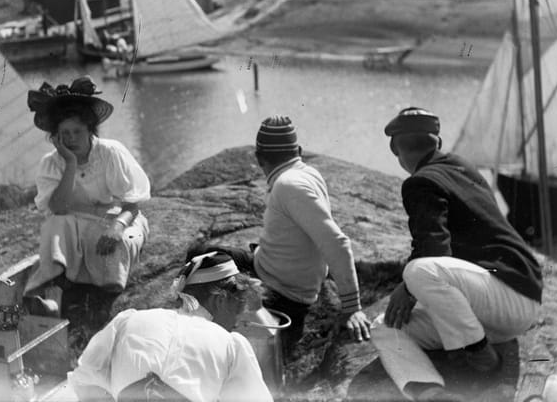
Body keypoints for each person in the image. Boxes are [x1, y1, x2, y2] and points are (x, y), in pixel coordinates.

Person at [370, 107, 543, 402]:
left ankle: (477, 356)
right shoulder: (461, 165)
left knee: (416, 272)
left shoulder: (420, 182)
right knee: (386, 326)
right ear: (437, 143)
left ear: (395, 150)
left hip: (505, 298)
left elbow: (433, 251)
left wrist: (407, 287)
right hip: (503, 307)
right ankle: (431, 392)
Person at [194, 115, 370, 357]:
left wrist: (352, 308)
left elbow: (337, 243)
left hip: (281, 291)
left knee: (199, 267)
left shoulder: (289, 185)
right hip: (282, 274)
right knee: (203, 255)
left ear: (258, 157)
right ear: (298, 150)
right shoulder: (308, 173)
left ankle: (206, 337)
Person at [24, 76, 150, 328]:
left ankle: (104, 295)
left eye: (77, 131)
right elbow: (58, 208)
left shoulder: (110, 152)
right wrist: (70, 163)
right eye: (64, 133)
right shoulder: (52, 162)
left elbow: (132, 202)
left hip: (117, 217)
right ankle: (55, 286)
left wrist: (117, 227)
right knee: (54, 225)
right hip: (74, 220)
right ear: (55, 137)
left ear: (90, 129)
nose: (71, 138)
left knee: (115, 244)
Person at [69, 251, 273, 402]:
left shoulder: (129, 320)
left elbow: (85, 380)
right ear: (220, 300)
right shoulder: (230, 344)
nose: (236, 321)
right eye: (237, 306)